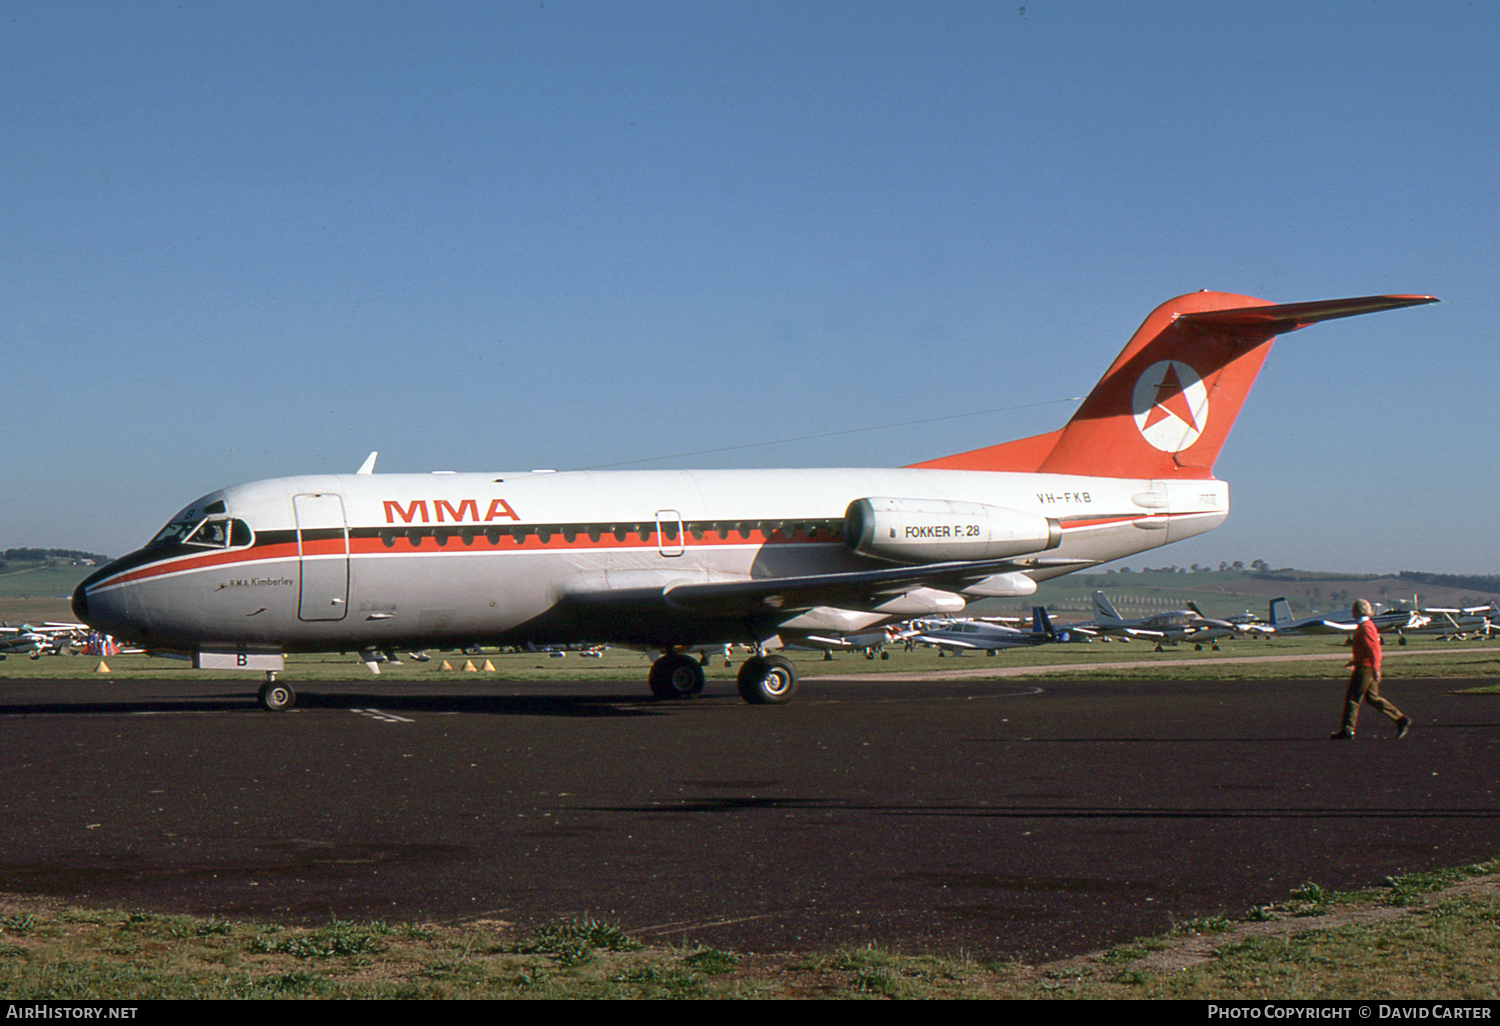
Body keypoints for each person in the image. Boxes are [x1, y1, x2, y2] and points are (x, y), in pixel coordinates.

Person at [1331, 598, 1411, 739]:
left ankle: (1347, 730)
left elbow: (1374, 650)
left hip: (1365, 668)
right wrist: (1355, 661)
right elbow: (1367, 649)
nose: (1351, 612)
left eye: (1353, 609)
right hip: (1365, 665)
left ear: (1358, 611)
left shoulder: (1365, 627)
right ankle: (1400, 719)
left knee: (1353, 698)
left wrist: (1375, 669)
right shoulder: (1366, 625)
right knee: (1373, 698)